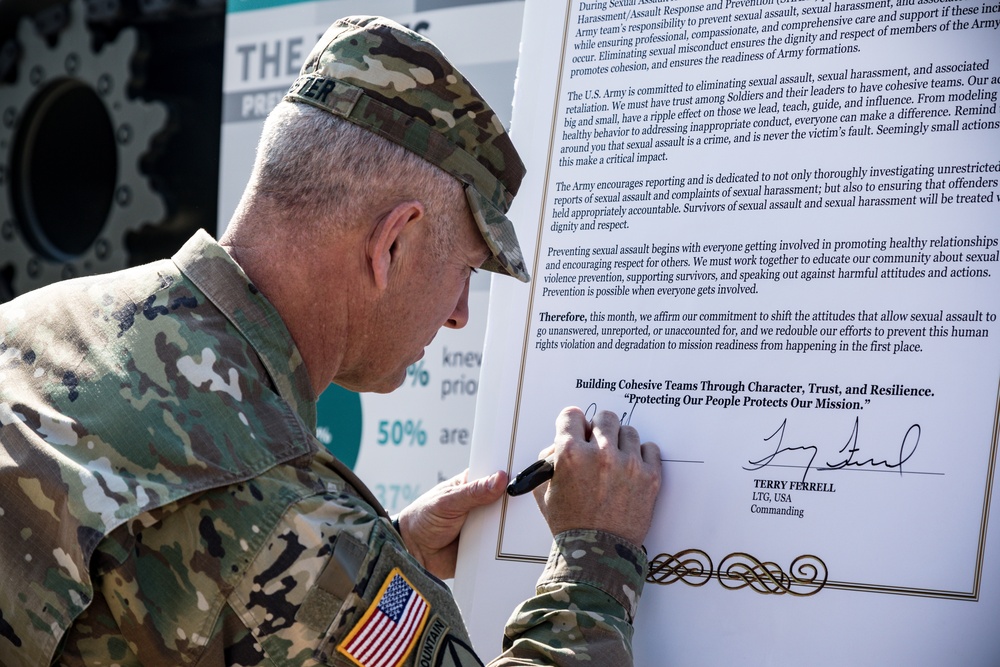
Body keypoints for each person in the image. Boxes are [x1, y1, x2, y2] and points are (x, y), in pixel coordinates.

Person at [0, 15, 661, 667]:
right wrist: (593, 560)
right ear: (392, 243)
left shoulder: (38, 323)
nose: (460, 313)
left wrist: (385, 547)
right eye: (463, 268)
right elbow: (251, 543)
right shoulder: (284, 517)